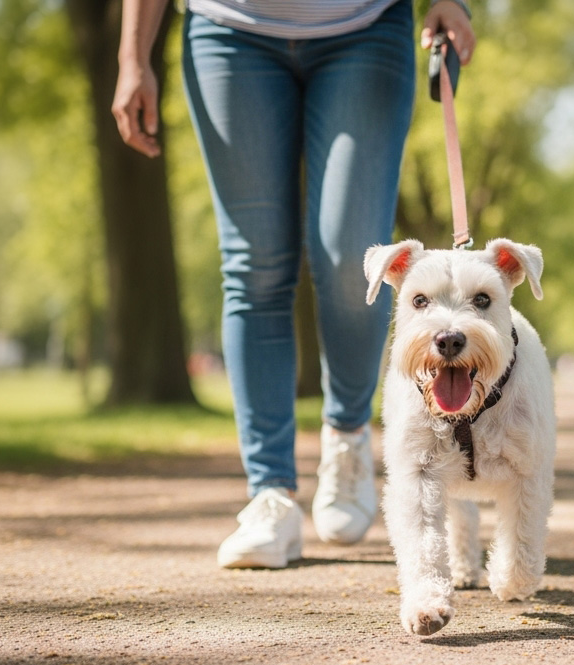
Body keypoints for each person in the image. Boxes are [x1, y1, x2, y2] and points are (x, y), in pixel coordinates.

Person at [113, 0, 476, 569]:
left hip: (363, 26)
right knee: (253, 267)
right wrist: (133, 55)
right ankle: (270, 494)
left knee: (349, 259)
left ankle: (347, 434)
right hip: (228, 31)